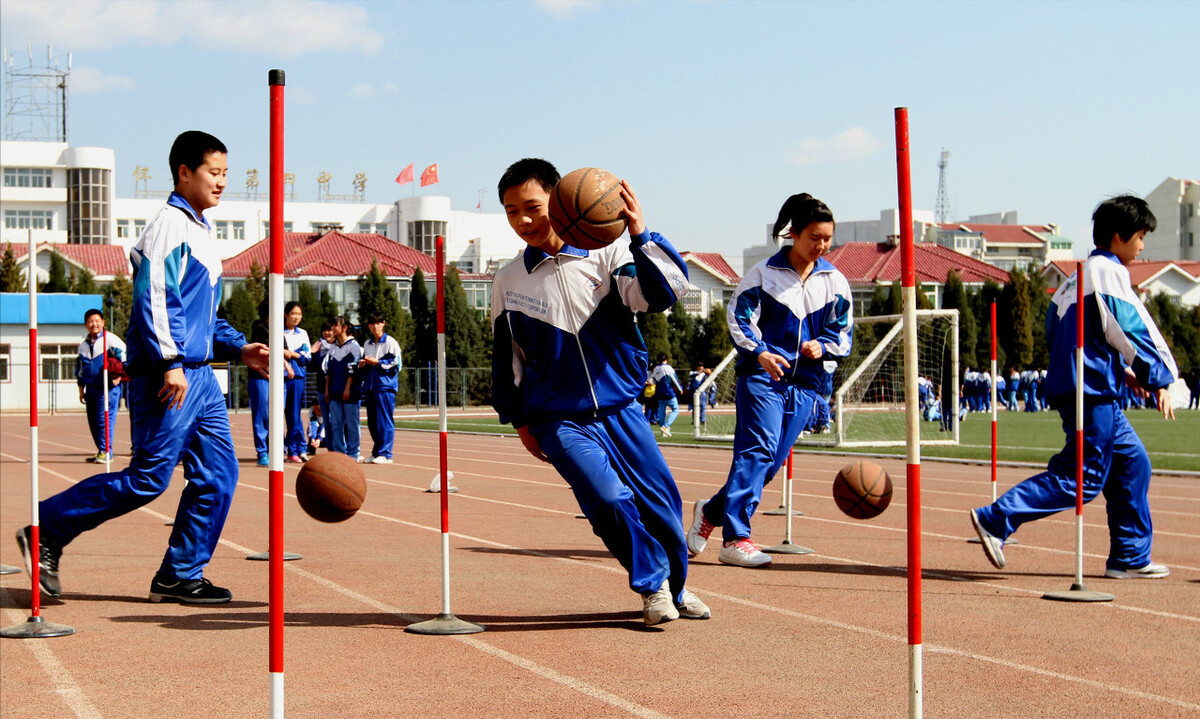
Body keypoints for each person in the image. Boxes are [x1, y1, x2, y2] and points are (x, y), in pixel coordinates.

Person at [16, 130, 269, 603]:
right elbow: (154, 300)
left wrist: (239, 350)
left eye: (226, 174)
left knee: (219, 474)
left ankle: (179, 573)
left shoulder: (201, 230)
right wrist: (171, 362)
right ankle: (45, 528)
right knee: (148, 479)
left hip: (201, 380)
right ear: (184, 172)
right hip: (167, 377)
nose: (222, 182)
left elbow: (201, 316)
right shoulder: (169, 226)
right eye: (214, 173)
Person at [490, 158, 706, 626]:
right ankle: (651, 587)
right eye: (511, 211)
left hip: (622, 408)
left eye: (531, 206)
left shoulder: (609, 254)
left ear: (561, 198)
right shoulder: (508, 279)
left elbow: (661, 295)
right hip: (558, 418)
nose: (522, 220)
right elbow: (506, 359)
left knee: (662, 506)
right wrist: (520, 420)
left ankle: (677, 587)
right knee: (607, 498)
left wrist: (640, 235)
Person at [970, 195, 1178, 579]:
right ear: (1119, 237)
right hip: (1091, 391)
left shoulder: (1074, 278)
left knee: (1134, 465)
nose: (1143, 245)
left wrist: (1119, 371)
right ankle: (996, 519)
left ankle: (1130, 557)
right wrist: (1159, 377)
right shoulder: (1106, 272)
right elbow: (1129, 329)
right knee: (1080, 478)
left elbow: (1066, 333)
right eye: (1141, 236)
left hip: (1091, 386)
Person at [688, 193, 853, 568]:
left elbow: (843, 335)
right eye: (814, 237)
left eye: (827, 238)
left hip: (806, 386)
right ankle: (736, 538)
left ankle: (710, 512)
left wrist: (822, 346)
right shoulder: (762, 275)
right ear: (793, 233)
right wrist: (760, 351)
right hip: (762, 378)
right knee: (756, 452)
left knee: (770, 464)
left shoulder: (835, 281)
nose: (822, 245)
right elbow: (738, 319)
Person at [77, 308, 126, 462]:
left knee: (103, 419)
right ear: (86, 324)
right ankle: (101, 450)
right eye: (91, 321)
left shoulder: (111, 340)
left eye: (97, 321)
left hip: (108, 389)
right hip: (91, 388)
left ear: (103, 322)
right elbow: (79, 369)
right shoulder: (83, 346)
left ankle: (106, 452)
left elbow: (123, 358)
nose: (94, 324)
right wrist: (81, 389)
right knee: (93, 422)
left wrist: (118, 375)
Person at [359, 313, 402, 464]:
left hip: (385, 386)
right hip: (370, 387)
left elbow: (396, 364)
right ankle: (377, 451)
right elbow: (365, 363)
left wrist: (377, 362)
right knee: (373, 422)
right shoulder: (367, 344)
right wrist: (363, 364)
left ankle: (386, 453)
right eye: (372, 323)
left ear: (383, 323)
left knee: (385, 420)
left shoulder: (391, 343)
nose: (375, 326)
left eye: (378, 323)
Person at [323, 315, 363, 462]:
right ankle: (339, 452)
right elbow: (328, 371)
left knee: (352, 425)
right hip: (334, 391)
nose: (332, 329)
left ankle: (353, 453)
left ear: (344, 328)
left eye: (336, 326)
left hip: (350, 393)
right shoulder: (333, 347)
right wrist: (327, 390)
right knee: (336, 424)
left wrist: (347, 389)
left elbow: (353, 370)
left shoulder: (354, 346)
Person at [282, 302, 311, 462]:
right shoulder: (278, 331)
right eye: (293, 313)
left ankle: (295, 449)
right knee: (277, 414)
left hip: (297, 378)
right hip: (281, 377)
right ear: (286, 314)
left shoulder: (303, 334)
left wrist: (291, 354)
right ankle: (281, 448)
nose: (296, 317)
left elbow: (307, 357)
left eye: (299, 314)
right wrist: (296, 354)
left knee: (294, 415)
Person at [309, 322, 334, 449]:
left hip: (336, 388)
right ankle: (330, 446)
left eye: (330, 330)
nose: (327, 333)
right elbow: (311, 367)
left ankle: (344, 447)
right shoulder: (318, 347)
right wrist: (312, 353)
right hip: (322, 388)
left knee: (339, 419)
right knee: (326, 419)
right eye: (325, 330)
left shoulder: (339, 346)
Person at [651, 354, 684, 437]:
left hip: (659, 393)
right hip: (668, 392)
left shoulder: (656, 369)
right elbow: (674, 379)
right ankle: (666, 427)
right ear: (666, 359)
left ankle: (663, 430)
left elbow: (653, 381)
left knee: (662, 412)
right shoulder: (668, 368)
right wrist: (679, 389)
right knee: (675, 409)